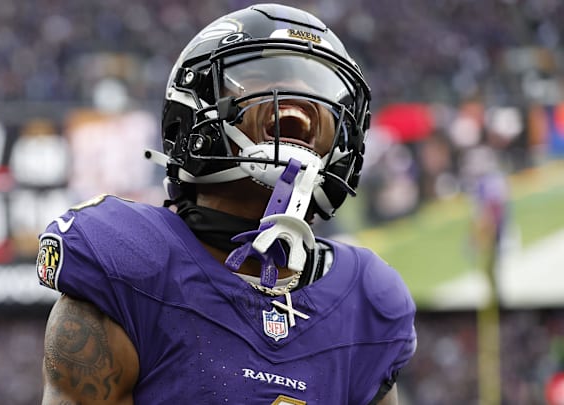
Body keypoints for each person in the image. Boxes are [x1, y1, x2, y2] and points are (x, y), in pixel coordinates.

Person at [36, 4, 417, 404]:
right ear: (191, 115)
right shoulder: (130, 261)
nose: (297, 105)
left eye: (316, 93)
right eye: (260, 80)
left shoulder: (367, 300)